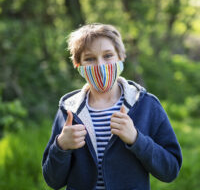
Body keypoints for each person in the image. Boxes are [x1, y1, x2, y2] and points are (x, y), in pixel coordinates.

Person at [42, 23, 182, 190]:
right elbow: (53, 181)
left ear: (120, 57)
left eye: (108, 55)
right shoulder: (69, 111)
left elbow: (170, 170)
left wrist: (136, 139)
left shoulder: (146, 105)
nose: (100, 65)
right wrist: (61, 146)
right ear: (78, 65)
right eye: (90, 59)